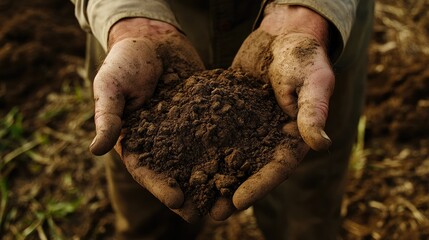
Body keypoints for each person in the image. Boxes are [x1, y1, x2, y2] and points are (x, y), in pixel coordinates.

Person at [71, 0, 374, 239]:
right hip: (149, 39)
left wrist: (307, 14)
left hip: (311, 30)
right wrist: (129, 19)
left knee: (305, 210)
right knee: (147, 218)